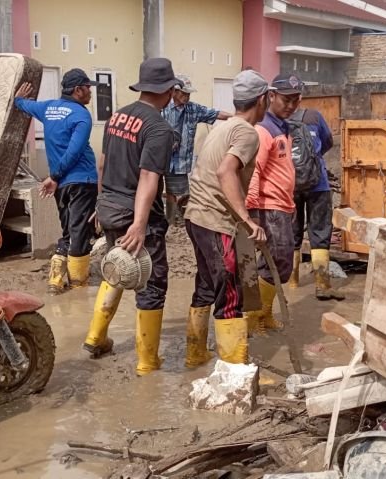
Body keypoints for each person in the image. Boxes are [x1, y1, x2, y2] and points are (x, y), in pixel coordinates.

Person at [82, 58, 180, 376]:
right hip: (134, 214)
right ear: (167, 90)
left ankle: (96, 337)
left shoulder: (117, 117)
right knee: (151, 282)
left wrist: (101, 202)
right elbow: (149, 178)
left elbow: (102, 163)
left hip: (109, 206)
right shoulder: (159, 128)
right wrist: (140, 224)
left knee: (118, 268)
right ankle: (147, 363)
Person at [183, 70, 272, 367]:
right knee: (231, 293)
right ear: (263, 100)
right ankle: (234, 371)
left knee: (206, 285)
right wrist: (247, 220)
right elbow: (225, 172)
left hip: (195, 216)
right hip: (215, 219)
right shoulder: (247, 132)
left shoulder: (222, 126)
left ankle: (195, 355)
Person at [13, 68, 99, 295]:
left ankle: (56, 278)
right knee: (80, 231)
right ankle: (79, 286)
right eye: (88, 88)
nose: (90, 92)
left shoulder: (48, 108)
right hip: (82, 180)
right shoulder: (81, 115)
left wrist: (19, 99)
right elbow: (75, 150)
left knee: (69, 227)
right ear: (77, 89)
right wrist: (54, 176)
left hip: (61, 185)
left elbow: (24, 105)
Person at [245, 73, 303, 335]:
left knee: (279, 263)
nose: (291, 105)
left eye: (296, 100)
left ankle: (264, 314)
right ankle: (254, 318)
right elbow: (254, 171)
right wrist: (254, 212)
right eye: (286, 99)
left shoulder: (283, 127)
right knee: (275, 263)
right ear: (271, 97)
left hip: (283, 206)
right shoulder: (264, 129)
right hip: (270, 207)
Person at [287, 106, 344, 301]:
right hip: (318, 183)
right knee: (319, 232)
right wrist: (314, 158)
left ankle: (292, 283)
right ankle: (322, 285)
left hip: (289, 184)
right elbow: (328, 141)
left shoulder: (278, 119)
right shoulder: (314, 116)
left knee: (292, 231)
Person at [162, 75, 232, 226]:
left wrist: (237, 117)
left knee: (178, 191)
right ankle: (165, 220)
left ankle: (174, 220)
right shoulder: (163, 109)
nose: (187, 97)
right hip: (160, 158)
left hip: (180, 161)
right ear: (174, 92)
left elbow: (216, 113)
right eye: (184, 93)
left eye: (188, 94)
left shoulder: (193, 109)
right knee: (159, 191)